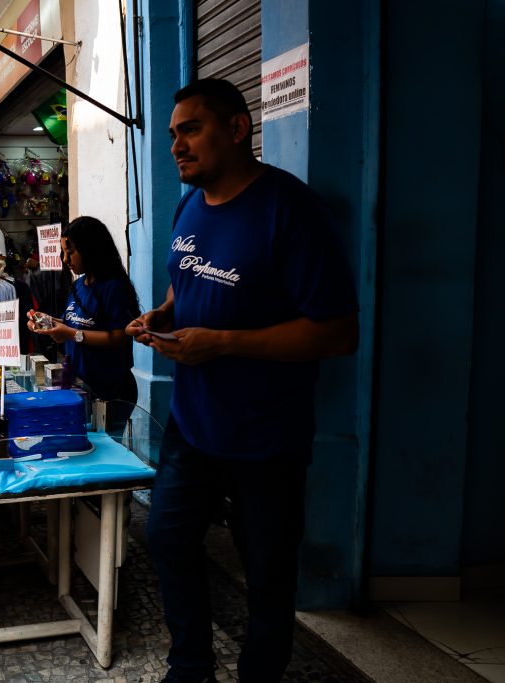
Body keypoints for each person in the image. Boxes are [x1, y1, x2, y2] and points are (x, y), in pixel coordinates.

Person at [126, 78, 359, 683]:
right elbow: (188, 274)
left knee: (268, 575)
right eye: (173, 133)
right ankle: (191, 669)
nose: (177, 145)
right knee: (169, 539)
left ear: (237, 128)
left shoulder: (292, 210)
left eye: (191, 129)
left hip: (267, 436)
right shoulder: (188, 205)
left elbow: (338, 334)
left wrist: (224, 343)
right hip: (194, 425)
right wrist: (166, 314)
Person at [26, 216, 140, 419]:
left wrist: (71, 334)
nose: (65, 259)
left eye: (71, 252)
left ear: (91, 250)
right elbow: (71, 324)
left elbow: (120, 337)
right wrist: (48, 322)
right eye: (63, 252)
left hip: (111, 390)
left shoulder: (114, 288)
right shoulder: (79, 285)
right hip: (80, 387)